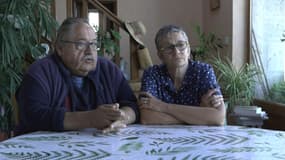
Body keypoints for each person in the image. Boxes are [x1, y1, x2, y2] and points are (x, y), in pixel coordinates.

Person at [15, 17, 139, 135]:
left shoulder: (108, 69)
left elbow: (132, 105)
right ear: (60, 48)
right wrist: (90, 119)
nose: (89, 51)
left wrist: (122, 116)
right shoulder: (40, 72)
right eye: (80, 44)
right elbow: (32, 115)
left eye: (94, 44)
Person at [139, 25, 225, 125]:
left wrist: (162, 106)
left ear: (188, 50)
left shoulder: (203, 71)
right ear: (160, 55)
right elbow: (147, 118)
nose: (176, 52)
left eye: (181, 45)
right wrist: (197, 116)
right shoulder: (152, 74)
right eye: (168, 48)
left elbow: (218, 117)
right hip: (162, 137)